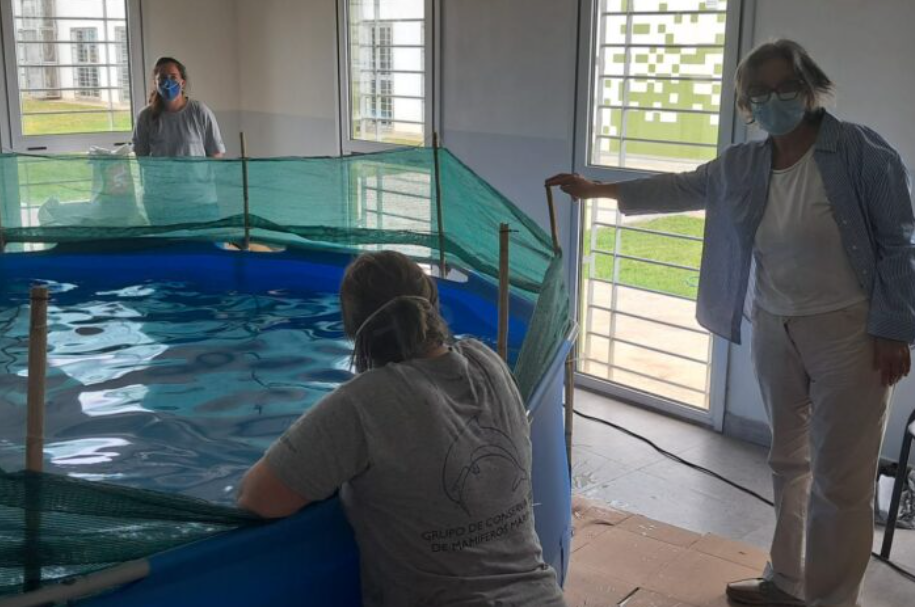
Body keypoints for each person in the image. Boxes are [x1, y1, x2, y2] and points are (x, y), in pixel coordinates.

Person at [547, 39, 914, 607]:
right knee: (788, 461)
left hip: (850, 331)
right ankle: (786, 580)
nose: (773, 100)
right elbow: (684, 186)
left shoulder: (861, 151)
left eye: (785, 87)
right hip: (775, 324)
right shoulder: (745, 163)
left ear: (810, 88)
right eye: (758, 93)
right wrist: (597, 190)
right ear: (746, 105)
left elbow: (900, 243)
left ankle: (831, 600)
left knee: (842, 480)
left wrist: (893, 328)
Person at [237, 251, 566, 607]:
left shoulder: (363, 402)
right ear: (433, 305)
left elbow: (260, 498)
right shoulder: (489, 363)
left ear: (353, 329)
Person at [132, 57, 225, 158]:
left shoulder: (200, 112)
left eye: (173, 77)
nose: (168, 82)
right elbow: (141, 157)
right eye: (162, 78)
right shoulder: (145, 116)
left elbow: (216, 154)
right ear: (156, 83)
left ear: (182, 83)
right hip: (160, 170)